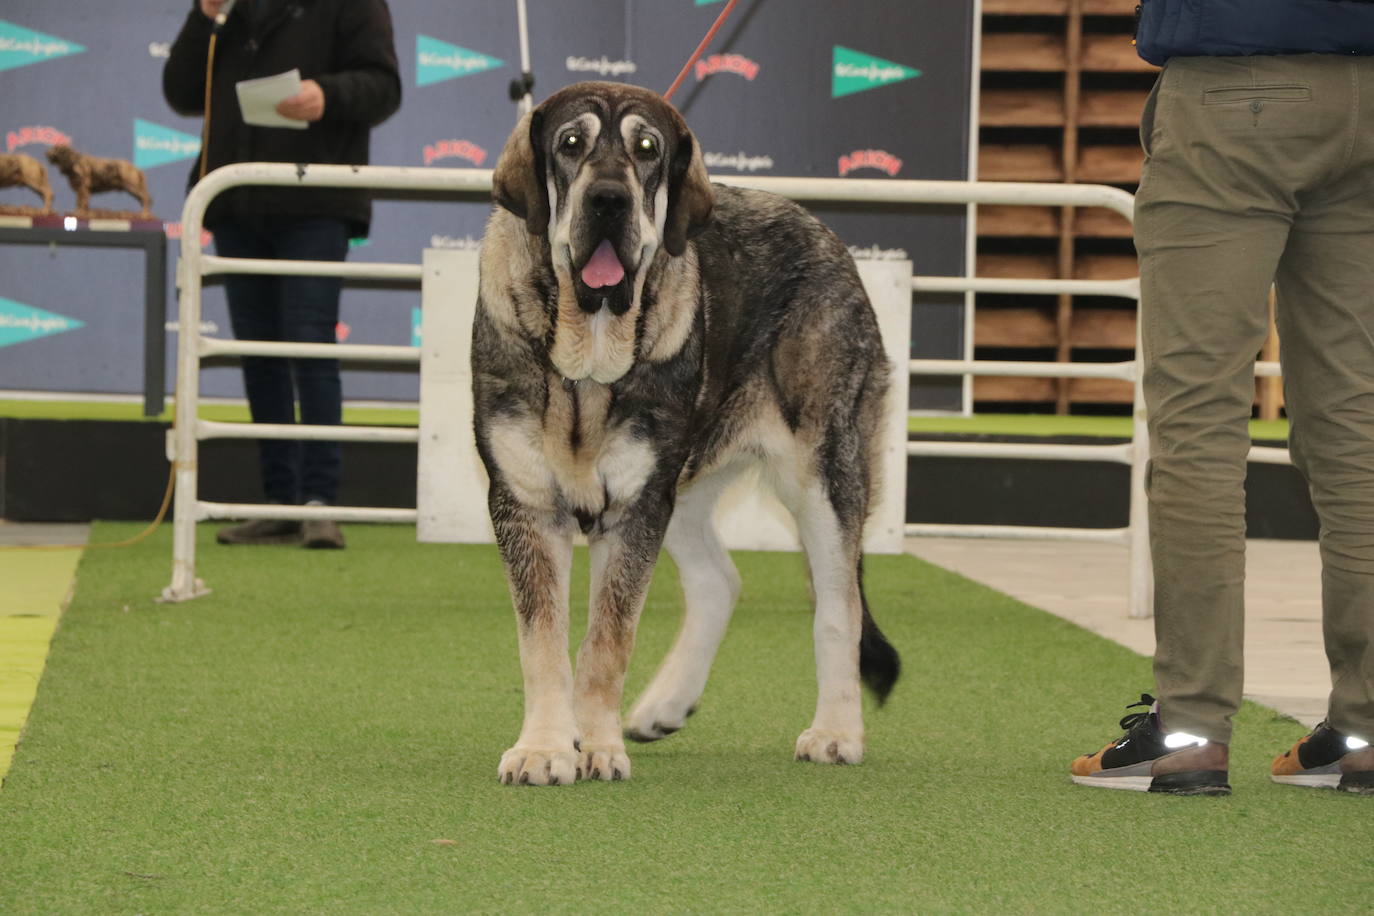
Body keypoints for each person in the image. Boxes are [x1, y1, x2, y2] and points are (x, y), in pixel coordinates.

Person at [1070, 0, 1374, 796]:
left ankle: (1190, 729)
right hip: (1367, 96)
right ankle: (1366, 729)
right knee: (1357, 434)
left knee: (1199, 426)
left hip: (1236, 93)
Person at [163, 0, 401, 549]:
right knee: (259, 353)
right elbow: (179, 90)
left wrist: (327, 95)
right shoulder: (227, 9)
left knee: (310, 343)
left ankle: (321, 500)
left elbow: (384, 87)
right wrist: (205, 15)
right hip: (235, 199)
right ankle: (278, 501)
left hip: (315, 200)